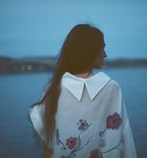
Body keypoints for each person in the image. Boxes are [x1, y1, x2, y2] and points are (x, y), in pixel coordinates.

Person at [28, 23, 137, 158]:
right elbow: (125, 138)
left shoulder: (53, 88)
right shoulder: (111, 88)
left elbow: (48, 148)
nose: (105, 54)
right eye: (102, 48)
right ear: (89, 51)